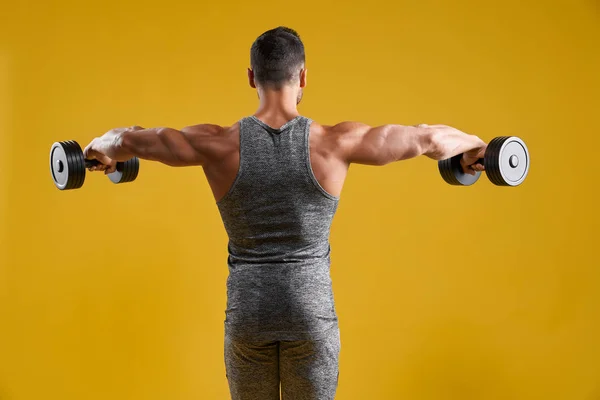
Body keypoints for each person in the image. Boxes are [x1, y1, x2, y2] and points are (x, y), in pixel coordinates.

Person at [83, 26, 487, 400]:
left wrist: (100, 150)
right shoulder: (335, 142)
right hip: (310, 315)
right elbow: (427, 138)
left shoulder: (216, 144)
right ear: (304, 77)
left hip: (248, 316)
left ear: (251, 77)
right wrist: (476, 147)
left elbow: (132, 140)